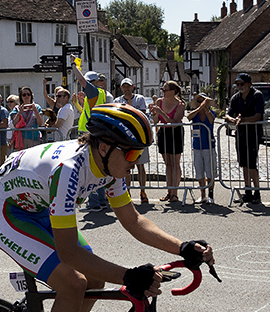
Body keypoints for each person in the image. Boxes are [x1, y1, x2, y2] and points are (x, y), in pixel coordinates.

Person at [0, 103, 215, 312]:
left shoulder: (108, 167)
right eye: (132, 154)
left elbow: (133, 221)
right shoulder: (70, 170)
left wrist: (182, 247)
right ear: (105, 147)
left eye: (140, 155)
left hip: (39, 206)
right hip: (8, 212)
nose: (136, 162)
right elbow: (69, 253)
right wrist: (131, 275)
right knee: (72, 281)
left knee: (94, 279)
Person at [71, 70, 110, 211]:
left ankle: (94, 203)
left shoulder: (93, 91)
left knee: (90, 167)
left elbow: (81, 80)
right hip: (93, 130)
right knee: (97, 166)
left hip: (90, 132)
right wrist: (77, 104)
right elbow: (86, 112)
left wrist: (74, 67)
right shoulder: (99, 94)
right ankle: (100, 201)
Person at [225, 73, 264, 203]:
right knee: (243, 163)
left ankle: (257, 192)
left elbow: (258, 116)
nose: (239, 86)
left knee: (252, 163)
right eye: (237, 84)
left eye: (242, 84)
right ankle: (247, 191)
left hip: (253, 133)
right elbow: (228, 115)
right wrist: (234, 119)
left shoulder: (257, 95)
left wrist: (243, 120)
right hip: (241, 133)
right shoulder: (235, 98)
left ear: (249, 84)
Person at [114, 78, 152, 206]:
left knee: (140, 165)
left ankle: (143, 192)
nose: (126, 89)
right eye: (124, 87)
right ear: (121, 88)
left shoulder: (139, 99)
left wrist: (129, 107)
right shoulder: (117, 101)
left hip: (139, 137)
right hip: (125, 138)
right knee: (126, 167)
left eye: (128, 86)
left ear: (133, 87)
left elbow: (142, 114)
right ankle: (127, 192)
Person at [150, 80, 186, 204]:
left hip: (175, 133)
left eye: (165, 89)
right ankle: (169, 191)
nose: (162, 92)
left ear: (172, 92)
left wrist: (161, 113)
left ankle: (175, 192)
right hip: (164, 132)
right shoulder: (159, 101)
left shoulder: (180, 104)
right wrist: (154, 113)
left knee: (175, 163)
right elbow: (155, 120)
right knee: (168, 163)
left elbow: (174, 122)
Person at [185, 93, 215, 205]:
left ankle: (211, 195)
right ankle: (202, 195)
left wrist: (205, 108)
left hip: (209, 145)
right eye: (199, 101)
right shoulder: (195, 113)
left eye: (203, 101)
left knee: (210, 171)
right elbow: (188, 117)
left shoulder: (210, 113)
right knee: (199, 171)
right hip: (197, 146)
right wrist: (199, 108)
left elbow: (211, 120)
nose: (201, 103)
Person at [11, 88, 43, 152]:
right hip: (21, 139)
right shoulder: (17, 108)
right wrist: (19, 112)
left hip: (34, 138)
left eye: (28, 94)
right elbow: (14, 123)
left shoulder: (37, 107)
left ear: (31, 96)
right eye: (24, 95)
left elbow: (40, 123)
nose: (26, 96)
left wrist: (36, 111)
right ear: (21, 97)